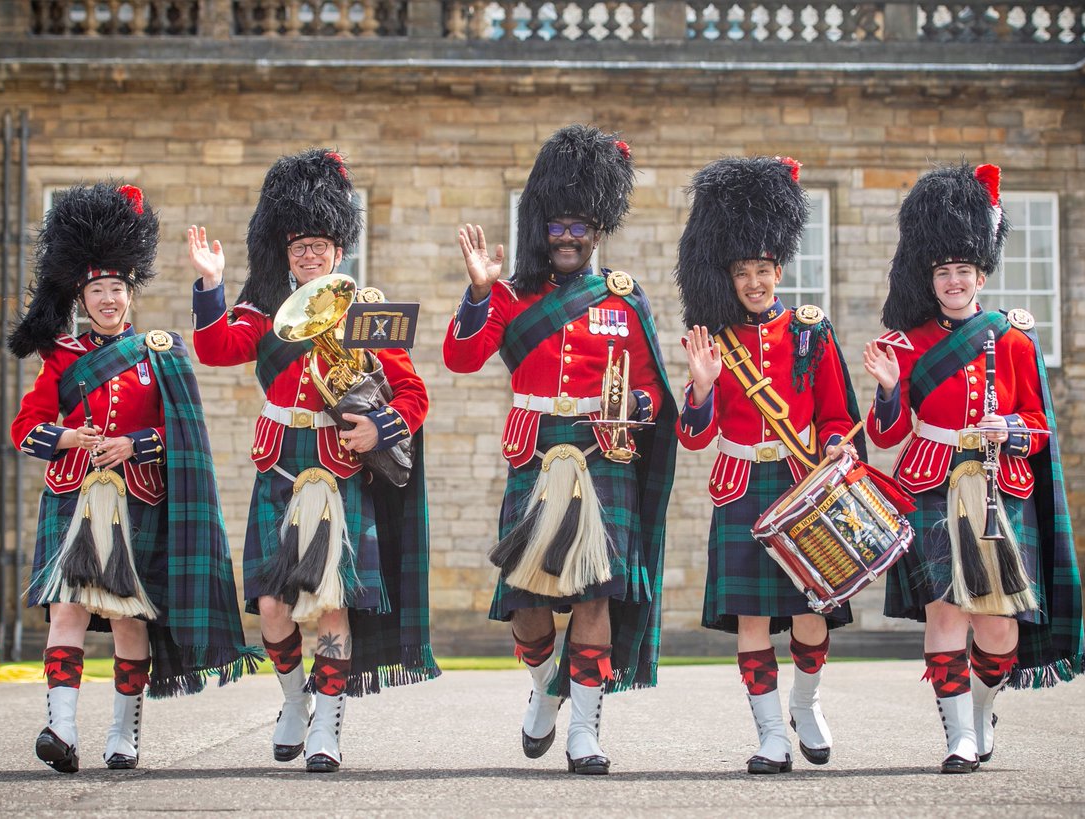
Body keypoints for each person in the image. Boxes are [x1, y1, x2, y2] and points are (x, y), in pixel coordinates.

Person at [188, 147, 438, 774]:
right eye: (299, 245)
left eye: (320, 245)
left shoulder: (365, 311)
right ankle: (295, 701)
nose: (309, 255)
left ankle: (327, 728)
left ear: (338, 250)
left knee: (330, 606)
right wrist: (213, 283)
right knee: (273, 607)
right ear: (285, 250)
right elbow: (216, 350)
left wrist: (376, 431)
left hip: (338, 467)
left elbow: (414, 394)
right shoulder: (260, 309)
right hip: (280, 464)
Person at [442, 124, 676, 775]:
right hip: (536, 453)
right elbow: (459, 358)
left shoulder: (625, 301)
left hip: (603, 457)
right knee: (526, 602)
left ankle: (587, 733)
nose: (567, 237)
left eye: (579, 226)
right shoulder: (512, 297)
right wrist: (480, 292)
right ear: (540, 229)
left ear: (596, 230)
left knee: (595, 597)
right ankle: (546, 685)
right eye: (556, 226)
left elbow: (655, 392)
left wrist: (635, 408)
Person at [9, 182, 256, 774]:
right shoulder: (61, 357)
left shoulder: (160, 353)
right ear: (83, 296)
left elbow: (185, 439)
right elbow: (25, 429)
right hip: (72, 496)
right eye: (97, 291)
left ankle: (124, 735)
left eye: (117, 289)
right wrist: (70, 437)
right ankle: (60, 730)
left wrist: (133, 444)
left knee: (127, 616)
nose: (108, 300)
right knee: (66, 609)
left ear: (130, 294)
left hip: (136, 499)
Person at [862, 163, 1085, 773]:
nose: (954, 280)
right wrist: (887, 390)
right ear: (931, 278)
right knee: (945, 611)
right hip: (930, 481)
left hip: (998, 485)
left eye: (964, 271)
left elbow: (1040, 429)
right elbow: (886, 434)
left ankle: (983, 708)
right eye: (944, 272)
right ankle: (958, 736)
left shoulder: (1013, 340)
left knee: (997, 628)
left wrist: (1009, 428)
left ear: (980, 275)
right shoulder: (907, 343)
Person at [673, 156, 865, 774]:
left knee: (810, 614)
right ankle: (769, 737)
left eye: (762, 269)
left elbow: (838, 414)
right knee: (753, 617)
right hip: (740, 487)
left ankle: (805, 707)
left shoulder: (811, 332)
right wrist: (701, 389)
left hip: (801, 481)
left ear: (778, 269)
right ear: (727, 277)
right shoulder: (713, 340)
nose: (753, 281)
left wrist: (838, 445)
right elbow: (693, 437)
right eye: (741, 272)